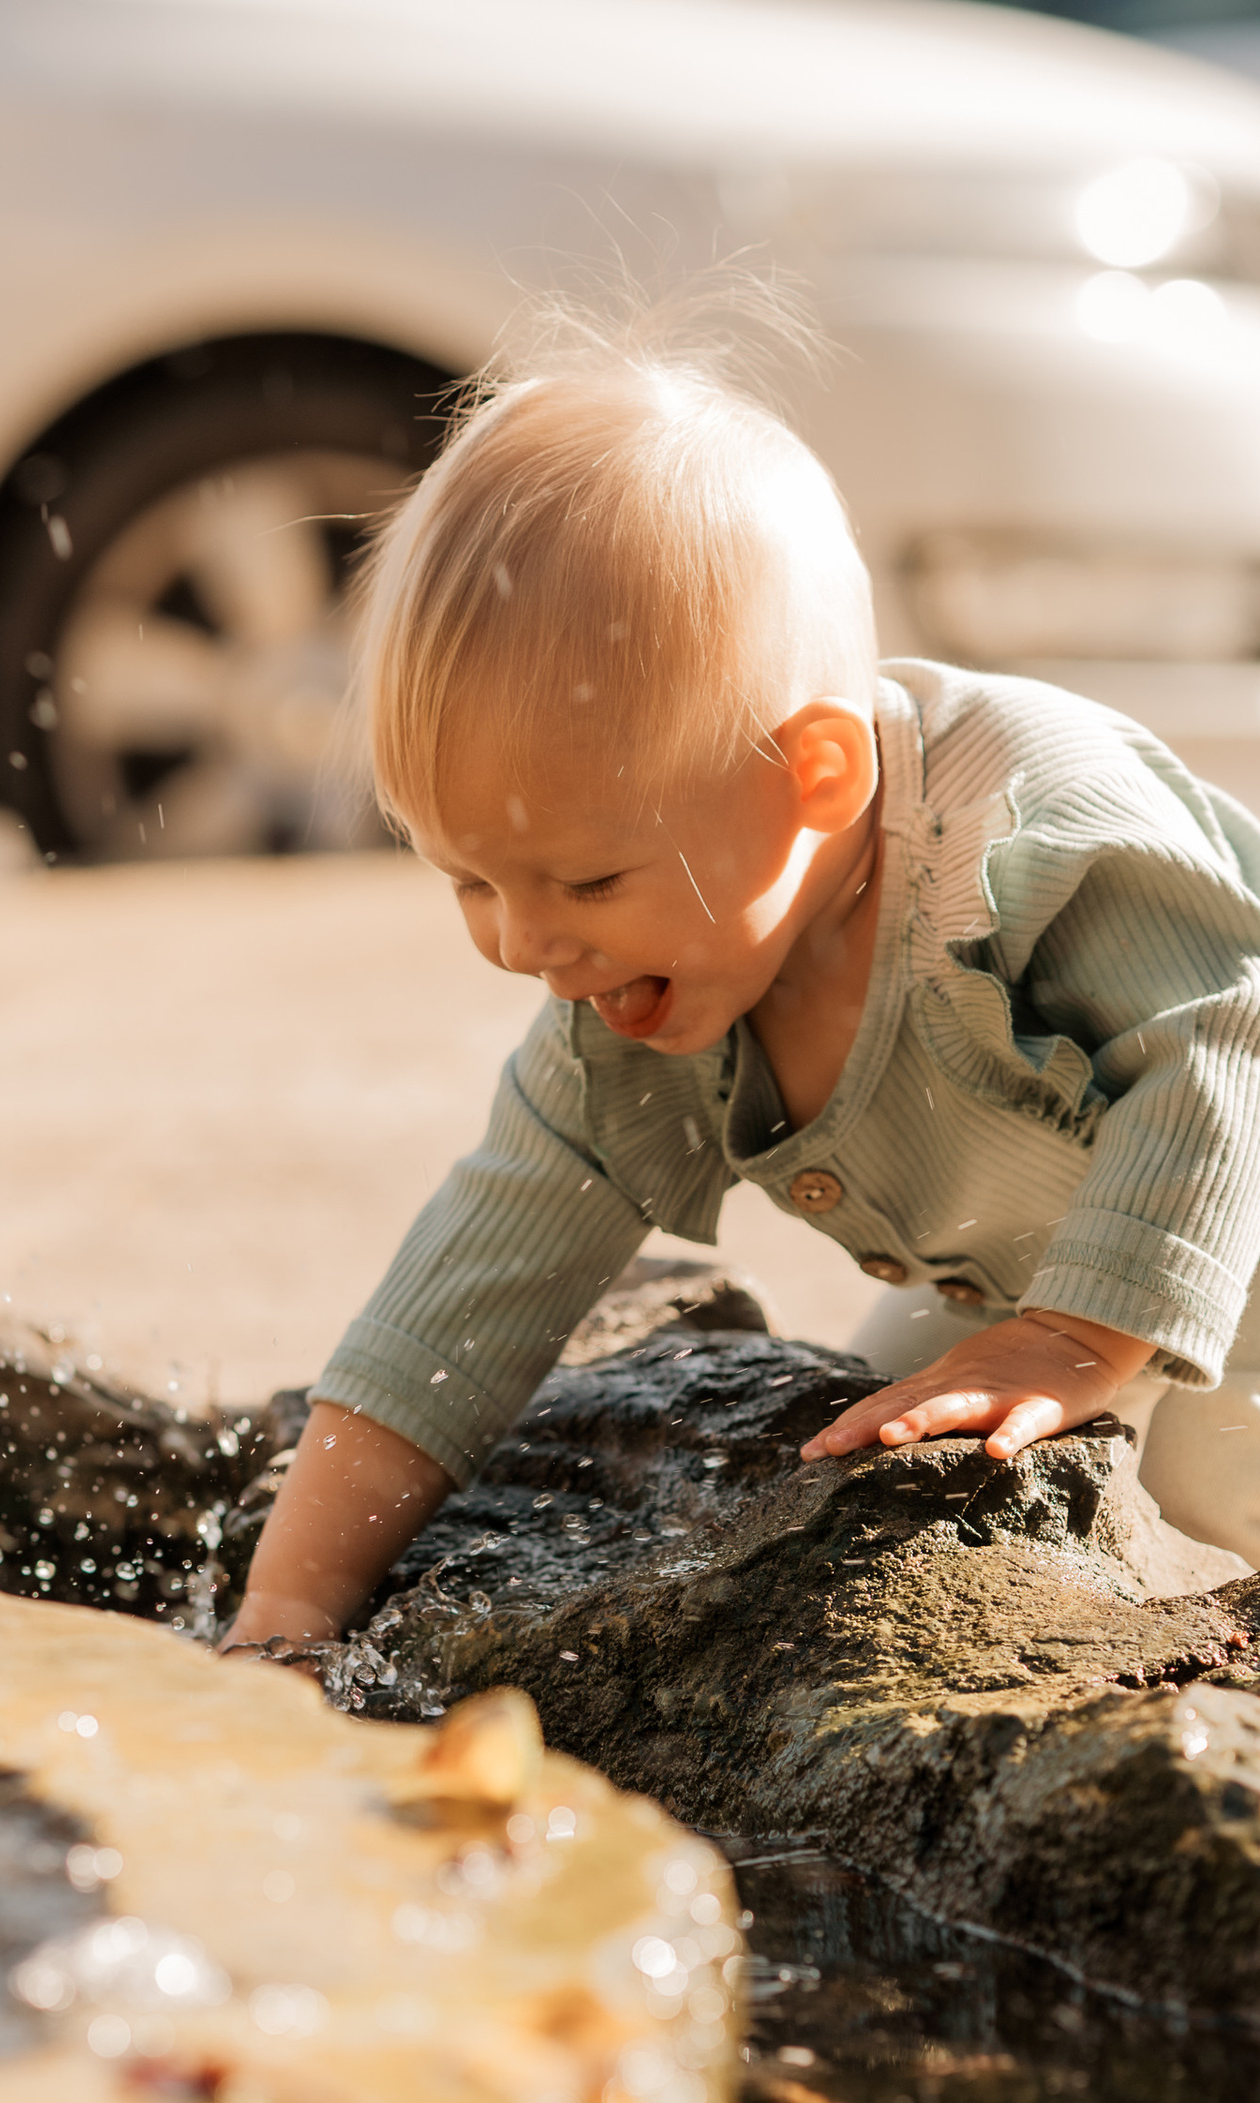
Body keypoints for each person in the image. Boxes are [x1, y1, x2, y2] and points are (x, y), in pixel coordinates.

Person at [222, 298, 1260, 1657]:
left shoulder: (1027, 825)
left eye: (586, 881)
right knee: (882, 1439)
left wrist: (1074, 1344)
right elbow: (457, 1308)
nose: (526, 946)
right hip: (1038, 1281)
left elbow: (1226, 1036)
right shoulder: (630, 1019)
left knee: (1216, 1464)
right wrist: (281, 1615)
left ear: (814, 778)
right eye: (467, 881)